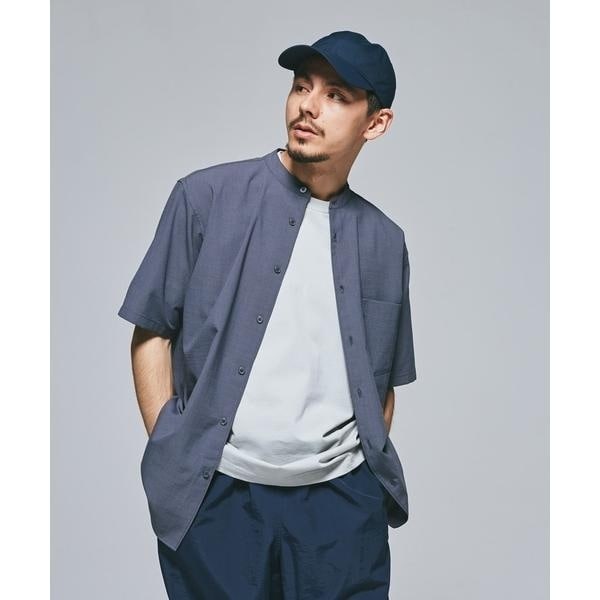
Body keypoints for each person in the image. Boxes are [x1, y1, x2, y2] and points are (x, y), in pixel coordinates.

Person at [118, 30, 417, 599]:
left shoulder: (386, 241)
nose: (308, 106)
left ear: (375, 123)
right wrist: (175, 447)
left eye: (336, 95)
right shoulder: (205, 197)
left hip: (341, 509)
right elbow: (152, 331)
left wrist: (362, 480)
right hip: (221, 500)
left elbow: (382, 383)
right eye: (302, 87)